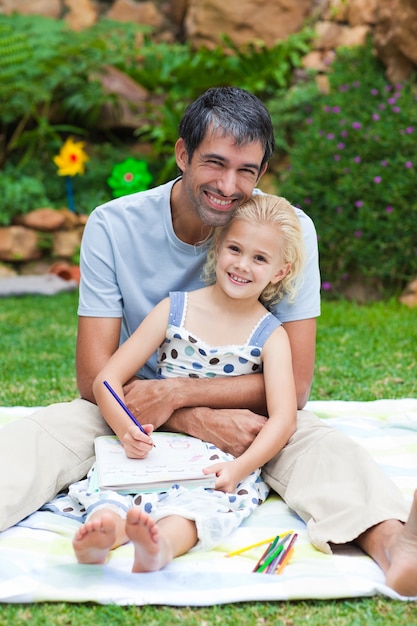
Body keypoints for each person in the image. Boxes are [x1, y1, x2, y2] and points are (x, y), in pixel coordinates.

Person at [0, 86, 416, 595]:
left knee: (318, 445)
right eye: (214, 163)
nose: (228, 184)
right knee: (41, 435)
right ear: (182, 154)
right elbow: (94, 376)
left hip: (246, 412)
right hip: (126, 407)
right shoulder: (113, 225)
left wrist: (182, 397)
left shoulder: (281, 232)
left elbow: (296, 386)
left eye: (247, 170)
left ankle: (395, 547)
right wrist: (177, 415)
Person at [71, 194, 303, 570]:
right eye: (235, 249)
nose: (242, 265)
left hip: (219, 459)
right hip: (154, 443)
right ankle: (103, 533)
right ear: (218, 246)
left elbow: (284, 417)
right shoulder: (176, 308)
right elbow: (107, 379)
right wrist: (125, 428)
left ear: (280, 271)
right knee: (113, 491)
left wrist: (241, 467)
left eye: (259, 258)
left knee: (196, 509)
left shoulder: (271, 336)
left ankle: (159, 547)